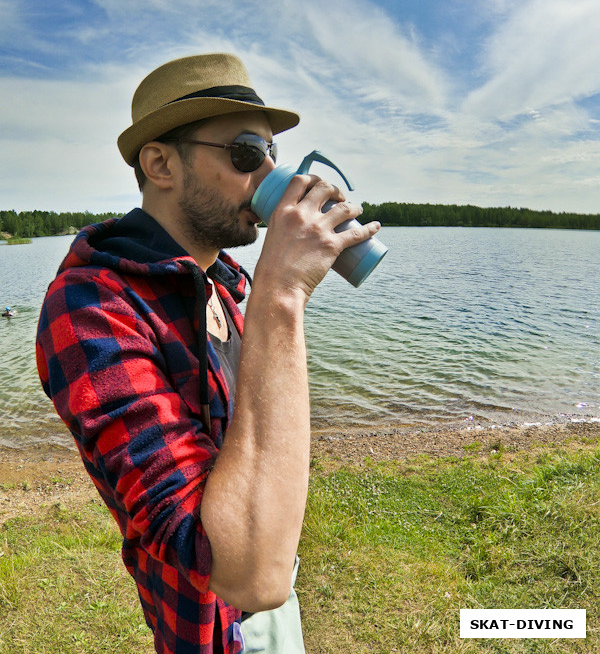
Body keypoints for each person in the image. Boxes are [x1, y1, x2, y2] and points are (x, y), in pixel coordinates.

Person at [36, 53, 381, 654]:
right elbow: (244, 571)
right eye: (247, 153)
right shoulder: (91, 306)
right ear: (161, 163)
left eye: (274, 156)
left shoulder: (222, 281)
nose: (270, 175)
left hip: (276, 592)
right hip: (210, 628)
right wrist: (284, 294)